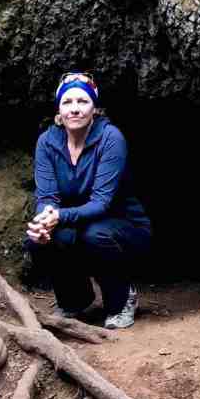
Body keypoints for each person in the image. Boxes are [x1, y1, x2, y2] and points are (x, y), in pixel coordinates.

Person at [24, 72, 151, 329]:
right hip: (77, 223)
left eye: (82, 102)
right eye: (67, 102)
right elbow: (47, 196)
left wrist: (60, 217)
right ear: (59, 109)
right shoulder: (47, 141)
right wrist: (44, 219)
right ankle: (74, 301)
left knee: (94, 234)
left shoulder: (110, 138)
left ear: (95, 108)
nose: (75, 109)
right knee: (39, 240)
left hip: (123, 226)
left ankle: (121, 300)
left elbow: (102, 202)